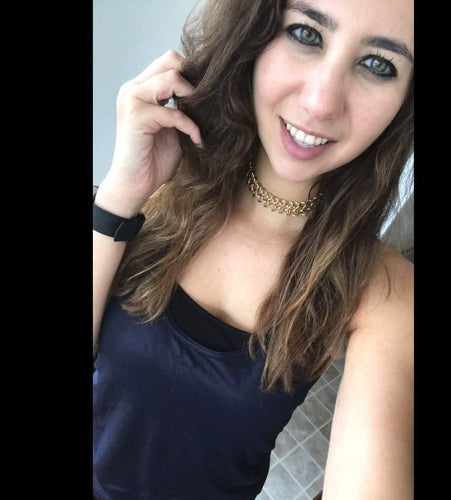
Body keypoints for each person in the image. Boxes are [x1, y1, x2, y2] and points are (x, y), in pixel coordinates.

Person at [93, 0, 414, 498]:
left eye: (378, 64)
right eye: (306, 34)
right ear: (254, 34)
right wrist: (117, 198)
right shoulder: (160, 180)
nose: (320, 102)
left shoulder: (386, 292)